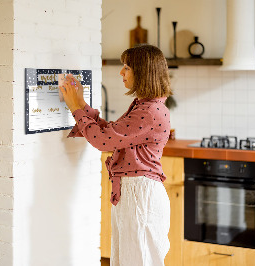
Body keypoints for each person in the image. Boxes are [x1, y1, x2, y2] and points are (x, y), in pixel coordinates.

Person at [60, 44, 172, 266]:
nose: (121, 72)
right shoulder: (145, 106)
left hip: (140, 195)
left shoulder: (149, 111)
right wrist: (81, 103)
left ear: (143, 72)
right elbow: (111, 133)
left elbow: (103, 141)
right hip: (135, 193)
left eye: (127, 67)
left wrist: (75, 108)